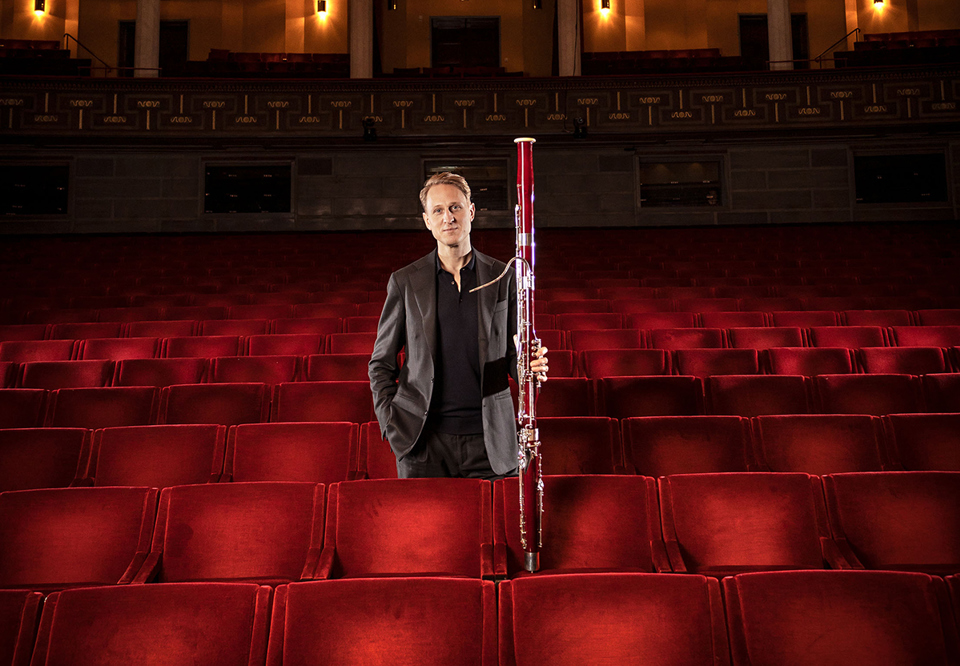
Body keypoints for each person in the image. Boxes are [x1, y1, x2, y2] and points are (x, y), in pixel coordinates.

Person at [369, 172, 548, 479]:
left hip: (490, 442)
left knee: (495, 528)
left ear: (472, 211)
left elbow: (511, 356)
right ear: (427, 220)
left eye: (455, 208)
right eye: (438, 210)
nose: (448, 217)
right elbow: (381, 364)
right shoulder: (405, 281)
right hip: (422, 444)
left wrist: (529, 368)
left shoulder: (502, 276)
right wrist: (391, 422)